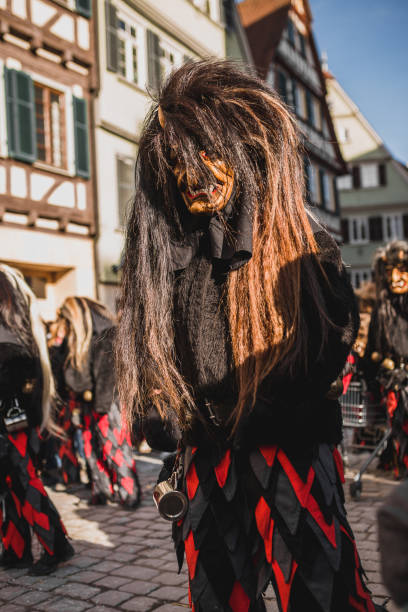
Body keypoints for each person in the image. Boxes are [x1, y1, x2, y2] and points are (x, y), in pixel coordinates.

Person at [116, 60, 382, 611]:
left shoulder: (304, 247)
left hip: (290, 454)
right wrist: (161, 411)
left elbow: (328, 344)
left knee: (319, 594)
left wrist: (265, 401)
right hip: (206, 462)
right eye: (178, 163)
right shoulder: (171, 259)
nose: (196, 177)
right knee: (218, 596)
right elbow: (153, 357)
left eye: (208, 156)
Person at [0, 264, 74, 574]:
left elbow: (16, 382)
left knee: (23, 480)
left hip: (13, 419)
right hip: (12, 417)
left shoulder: (12, 342)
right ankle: (17, 549)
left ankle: (55, 545)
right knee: (9, 484)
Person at [49, 297, 141, 507]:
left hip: (108, 403)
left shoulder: (106, 334)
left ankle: (129, 492)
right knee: (91, 448)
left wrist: (102, 405)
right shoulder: (83, 336)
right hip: (89, 402)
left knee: (115, 447)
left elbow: (107, 376)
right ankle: (101, 490)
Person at [365, 241, 408, 478]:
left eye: (402, 270)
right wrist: (382, 360)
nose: (395, 277)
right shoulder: (381, 310)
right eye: (390, 270)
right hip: (393, 381)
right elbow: (372, 352)